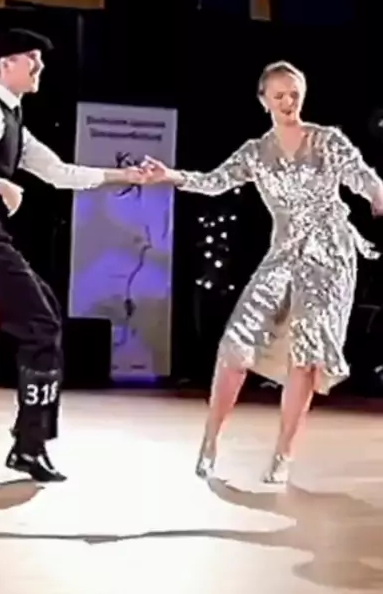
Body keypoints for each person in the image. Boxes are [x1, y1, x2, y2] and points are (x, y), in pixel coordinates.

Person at [141, 61, 383, 484]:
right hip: (283, 253)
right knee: (236, 345)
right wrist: (171, 176)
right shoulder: (256, 151)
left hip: (330, 256)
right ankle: (210, 441)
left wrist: (378, 194)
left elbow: (362, 176)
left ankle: (283, 455)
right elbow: (215, 181)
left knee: (305, 357)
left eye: (294, 94)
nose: (288, 103)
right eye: (279, 96)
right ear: (263, 101)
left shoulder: (327, 140)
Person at [0, 27, 143, 482]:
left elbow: (60, 173)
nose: (40, 67)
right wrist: (0, 185)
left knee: (45, 319)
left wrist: (124, 177)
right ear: (6, 63)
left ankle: (29, 443)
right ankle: (29, 445)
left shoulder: (14, 123)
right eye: (33, 58)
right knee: (42, 325)